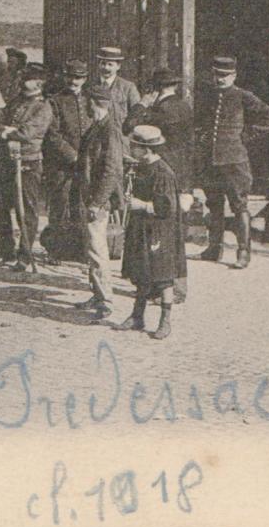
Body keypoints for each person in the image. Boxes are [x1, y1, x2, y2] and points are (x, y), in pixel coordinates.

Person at [193, 56, 269, 269]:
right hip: (211, 161)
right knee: (214, 204)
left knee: (239, 206)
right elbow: (201, 122)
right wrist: (202, 138)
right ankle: (214, 248)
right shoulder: (208, 96)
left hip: (234, 161)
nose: (220, 80)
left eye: (224, 76)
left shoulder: (243, 96)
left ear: (234, 76)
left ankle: (243, 252)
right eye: (216, 75)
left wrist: (245, 136)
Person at [114, 126, 186, 340]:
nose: (131, 149)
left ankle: (165, 321)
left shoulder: (163, 173)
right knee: (141, 273)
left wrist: (141, 205)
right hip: (141, 228)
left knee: (163, 277)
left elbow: (167, 208)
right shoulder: (142, 167)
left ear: (145, 149)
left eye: (134, 147)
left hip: (159, 232)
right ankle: (137, 316)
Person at [0, 63, 53, 270]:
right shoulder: (16, 101)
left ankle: (24, 256)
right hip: (5, 161)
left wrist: (7, 131)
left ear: (39, 82)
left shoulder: (43, 107)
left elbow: (27, 132)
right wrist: (2, 128)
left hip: (27, 164)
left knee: (25, 210)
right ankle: (6, 252)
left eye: (28, 78)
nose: (23, 81)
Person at [73, 85, 124, 319]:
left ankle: (106, 301)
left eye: (87, 102)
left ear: (94, 103)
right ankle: (96, 293)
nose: (84, 105)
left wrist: (98, 201)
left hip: (97, 199)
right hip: (89, 195)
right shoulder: (98, 126)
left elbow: (112, 170)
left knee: (97, 250)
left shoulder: (109, 130)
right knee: (90, 248)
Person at [42, 60, 91, 262]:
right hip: (62, 164)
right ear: (65, 77)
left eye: (78, 77)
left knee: (81, 205)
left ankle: (80, 251)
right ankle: (56, 251)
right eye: (70, 76)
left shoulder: (90, 100)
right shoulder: (55, 101)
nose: (74, 81)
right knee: (60, 206)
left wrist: (87, 157)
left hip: (86, 163)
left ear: (85, 79)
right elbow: (53, 134)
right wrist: (72, 156)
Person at [89, 46, 140, 133]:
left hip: (119, 139)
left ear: (118, 66)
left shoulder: (128, 87)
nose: (106, 68)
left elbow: (136, 115)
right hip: (95, 139)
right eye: (103, 63)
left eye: (110, 64)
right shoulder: (90, 86)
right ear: (98, 64)